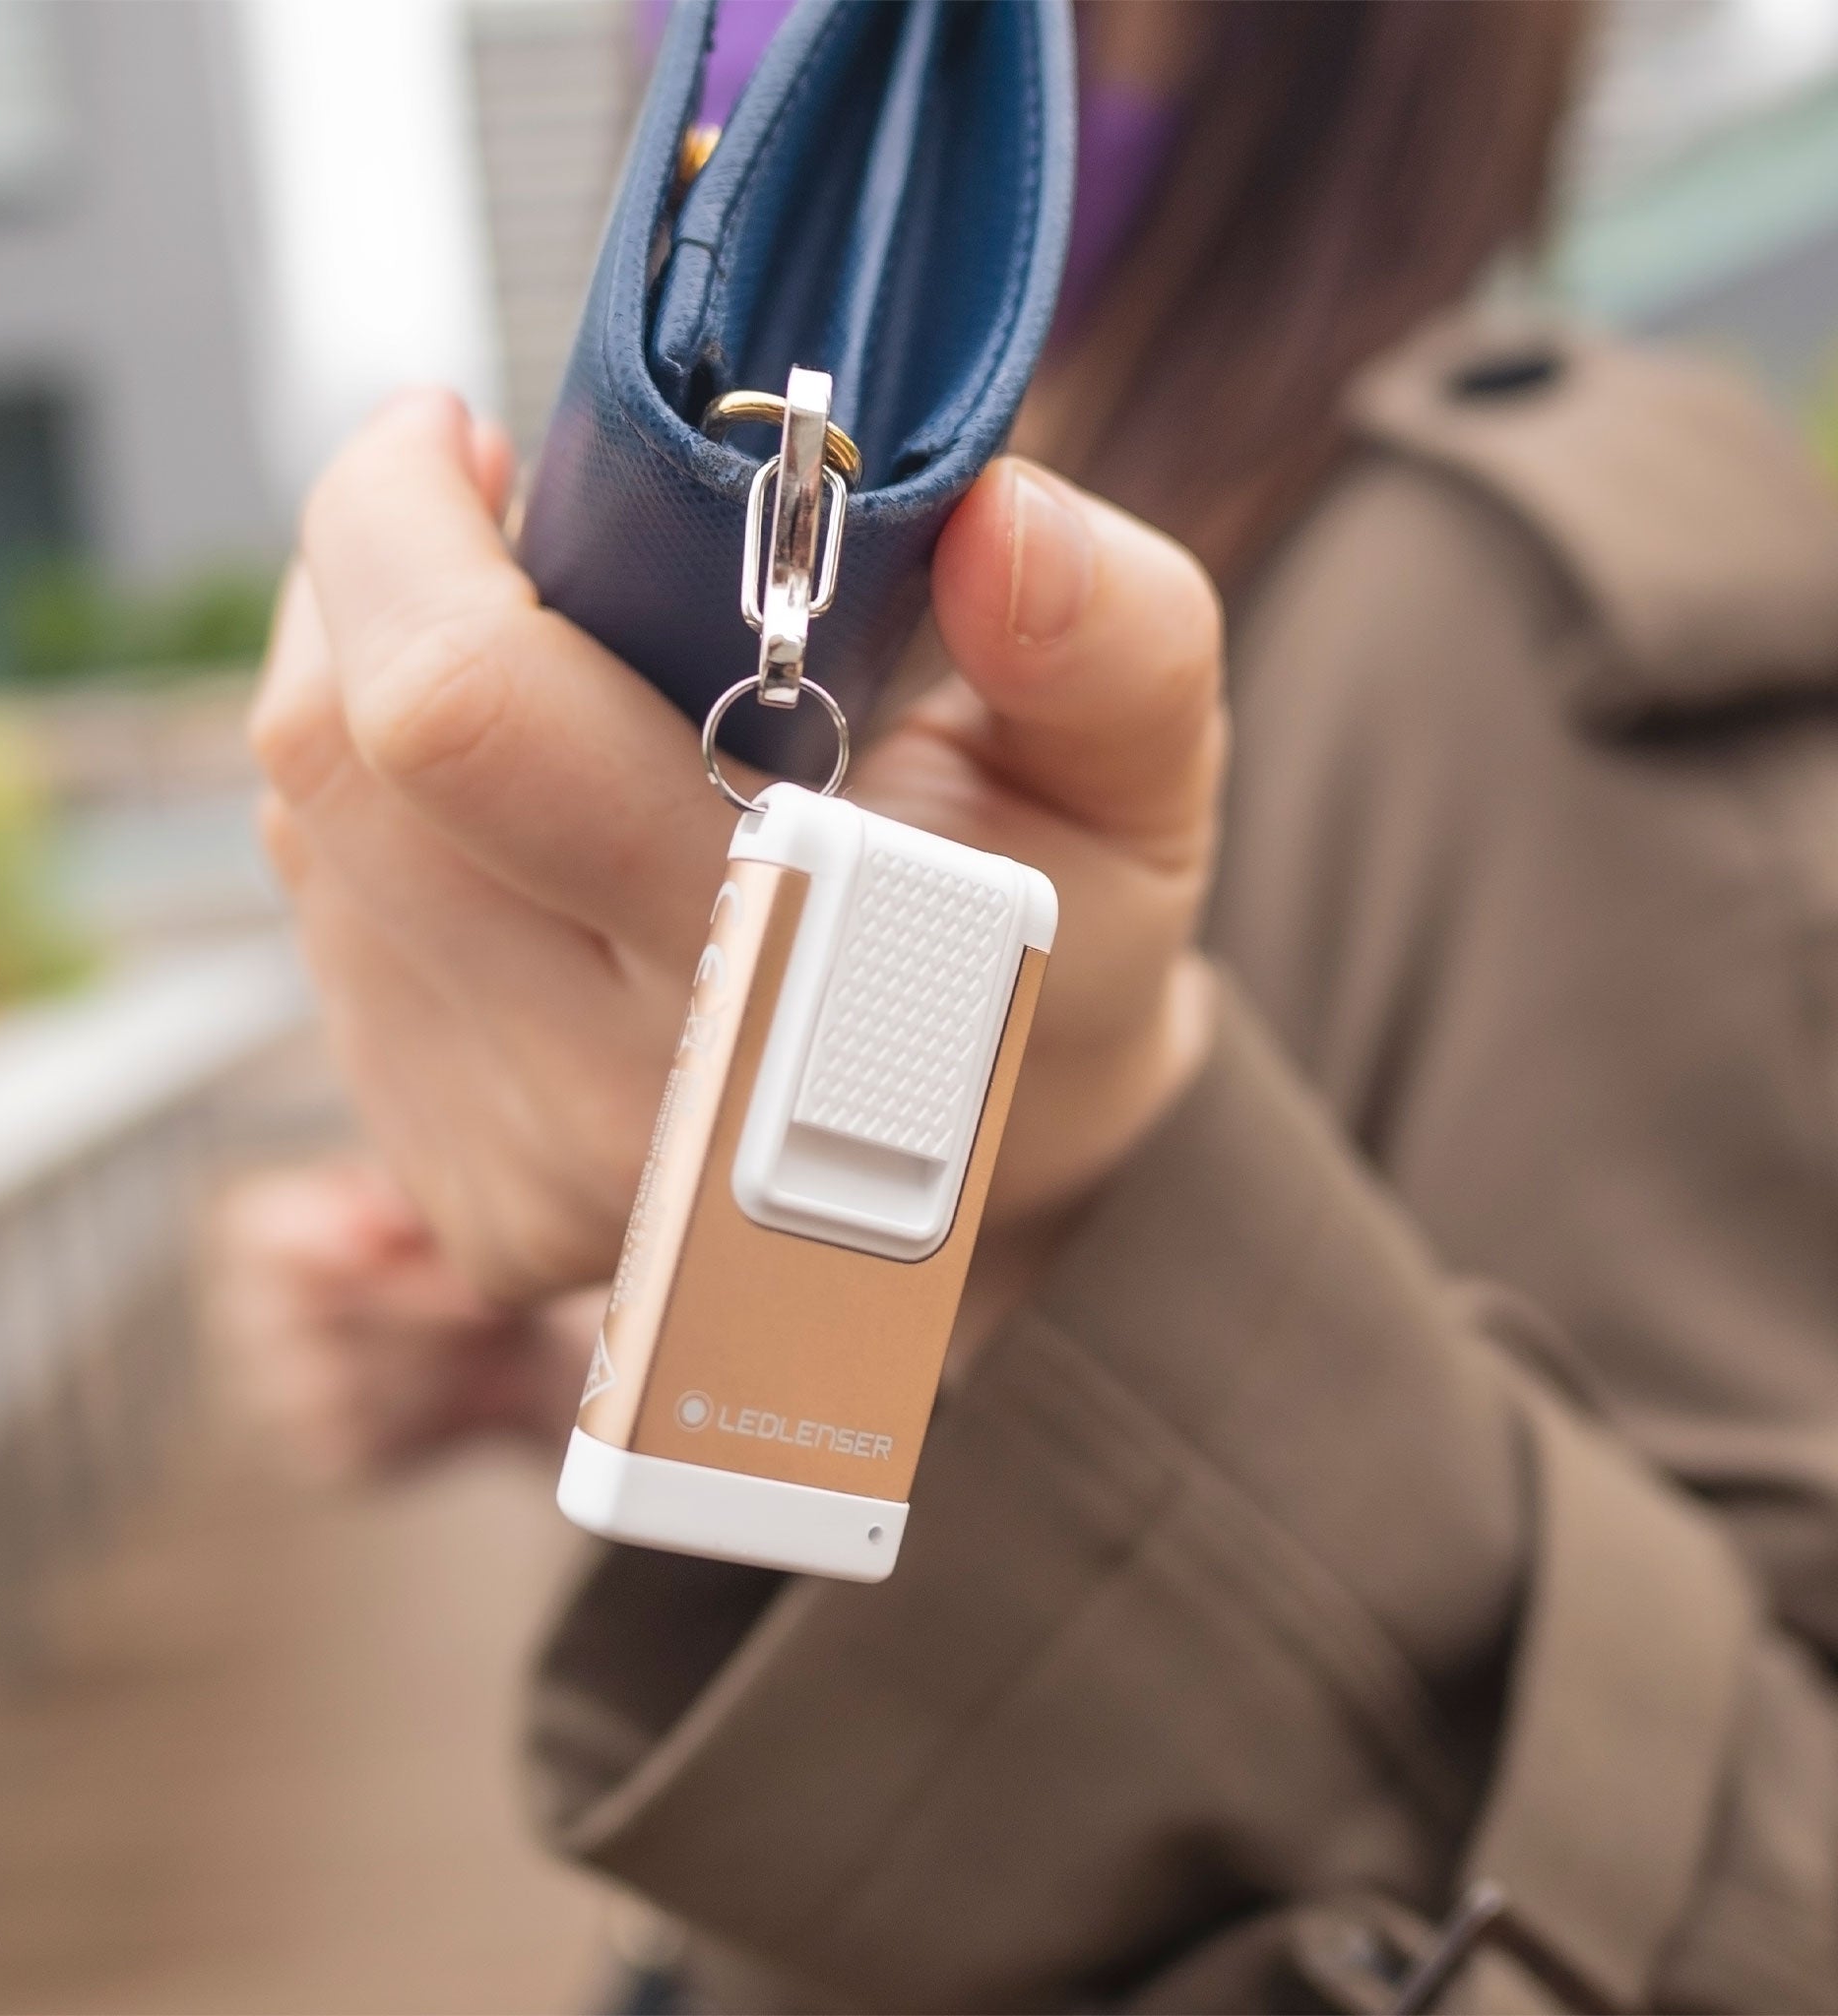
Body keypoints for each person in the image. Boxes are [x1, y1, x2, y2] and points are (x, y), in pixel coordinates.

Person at [226, 1, 1838, 2008]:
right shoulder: (908, 556)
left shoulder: (1501, 631)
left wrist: (1085, 1203)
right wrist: (624, 1354)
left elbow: (1775, 1860)